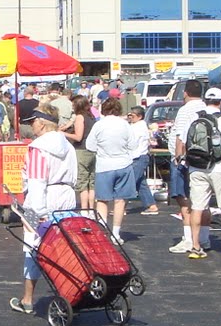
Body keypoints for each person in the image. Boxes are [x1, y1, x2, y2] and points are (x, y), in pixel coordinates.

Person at [9, 108, 78, 316]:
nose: (32, 127)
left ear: (42, 123)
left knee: (33, 248)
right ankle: (68, 291)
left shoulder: (38, 148)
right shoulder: (67, 145)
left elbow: (37, 182)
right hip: (66, 196)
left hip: (43, 199)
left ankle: (28, 299)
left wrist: (37, 212)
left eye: (33, 123)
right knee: (63, 246)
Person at [183, 88, 221, 260]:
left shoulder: (194, 117)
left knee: (197, 206)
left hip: (196, 166)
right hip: (219, 167)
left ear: (205, 100)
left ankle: (195, 246)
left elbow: (183, 141)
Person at [86, 97, 135, 242]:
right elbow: (132, 144)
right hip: (123, 164)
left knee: (102, 200)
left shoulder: (99, 125)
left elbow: (90, 146)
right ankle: (116, 233)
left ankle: (102, 232)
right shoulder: (125, 124)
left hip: (104, 166)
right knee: (120, 201)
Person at [166, 79, 207, 254]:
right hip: (203, 160)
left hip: (184, 160)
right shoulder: (205, 108)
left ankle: (189, 239)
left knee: (183, 199)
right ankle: (203, 238)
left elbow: (180, 136)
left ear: (185, 93)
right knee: (200, 201)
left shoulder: (185, 110)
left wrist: (177, 159)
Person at [62, 94, 94, 210]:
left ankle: (85, 209)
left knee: (83, 182)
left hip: (82, 150)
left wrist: (63, 133)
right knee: (92, 182)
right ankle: (91, 208)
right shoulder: (91, 116)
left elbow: (78, 137)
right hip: (92, 151)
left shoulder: (80, 117)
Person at [126, 106, 159, 216]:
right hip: (138, 157)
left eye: (132, 115)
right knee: (140, 183)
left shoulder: (138, 127)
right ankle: (151, 205)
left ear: (139, 116)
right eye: (129, 115)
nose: (130, 117)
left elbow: (131, 142)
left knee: (130, 183)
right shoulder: (135, 126)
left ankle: (121, 206)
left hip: (138, 157)